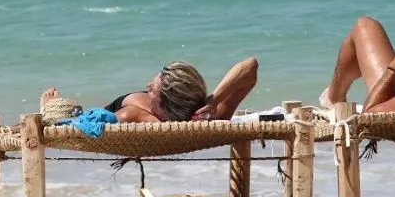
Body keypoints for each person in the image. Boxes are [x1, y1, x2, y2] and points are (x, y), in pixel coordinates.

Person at [42, 56, 259, 124]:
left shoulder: (132, 115)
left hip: (107, 114)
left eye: (152, 90)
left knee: (66, 115)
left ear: (166, 105)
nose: (147, 87)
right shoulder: (210, 115)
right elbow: (250, 66)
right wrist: (214, 98)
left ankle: (50, 109)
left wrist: (52, 113)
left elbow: (83, 128)